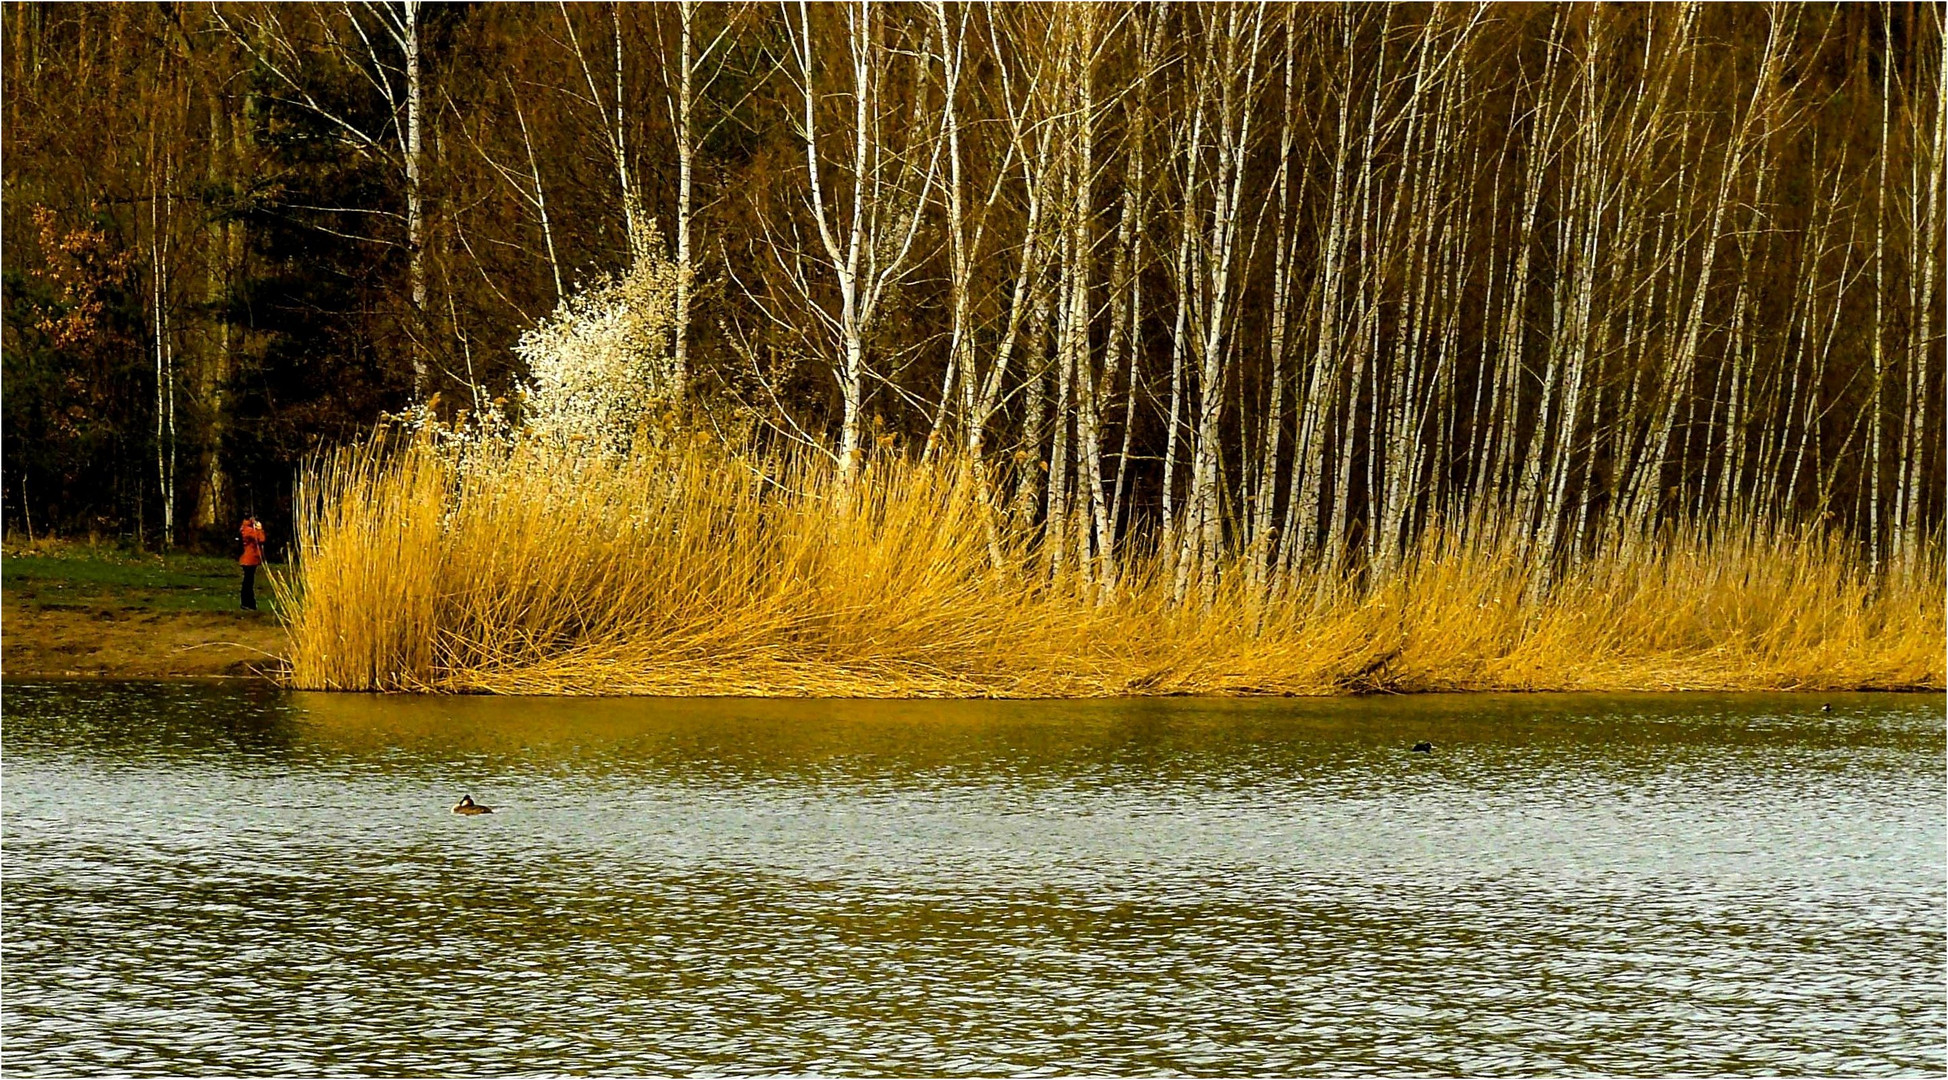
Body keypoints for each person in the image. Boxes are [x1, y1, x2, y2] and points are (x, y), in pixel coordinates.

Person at [239, 516, 266, 610]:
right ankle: (247, 603)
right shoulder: (248, 530)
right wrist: (260, 529)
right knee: (248, 582)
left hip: (250, 559)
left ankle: (248, 603)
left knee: (248, 582)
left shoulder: (246, 528)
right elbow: (261, 539)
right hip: (249, 560)